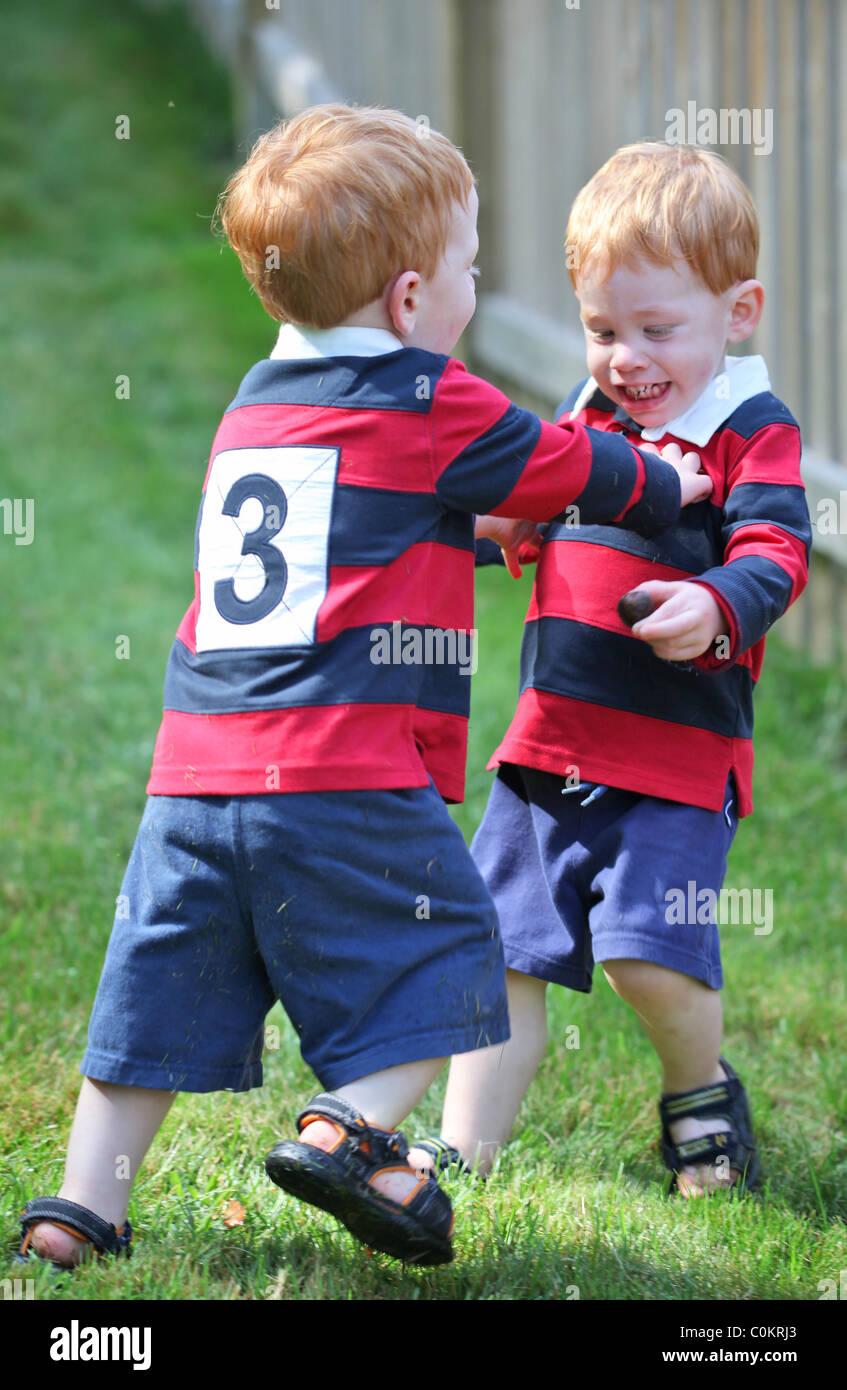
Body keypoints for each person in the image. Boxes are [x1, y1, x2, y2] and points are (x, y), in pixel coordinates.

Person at [17, 111, 706, 1270]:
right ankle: (353, 1128)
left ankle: (78, 1209)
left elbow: (370, 535)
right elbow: (573, 467)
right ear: (406, 299)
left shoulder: (255, 406)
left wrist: (475, 533)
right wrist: (665, 480)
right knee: (448, 950)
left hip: (194, 776)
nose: (473, 292)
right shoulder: (437, 398)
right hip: (342, 767)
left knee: (157, 997)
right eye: (469, 271)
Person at [412, 142, 811, 1198]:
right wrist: (498, 519)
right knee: (501, 953)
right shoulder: (587, 422)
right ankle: (464, 1153)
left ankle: (697, 1094)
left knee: (650, 955)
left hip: (678, 759)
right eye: (600, 329)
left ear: (737, 312)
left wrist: (715, 601)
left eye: (655, 329)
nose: (625, 357)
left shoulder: (746, 432)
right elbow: (536, 503)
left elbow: (777, 552)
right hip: (549, 744)